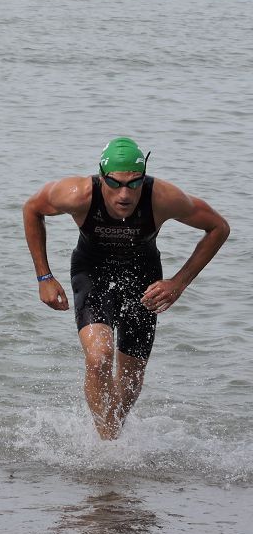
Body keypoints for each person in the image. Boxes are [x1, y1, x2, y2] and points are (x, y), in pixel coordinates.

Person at [22, 137, 229, 440]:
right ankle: (107, 444)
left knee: (131, 376)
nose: (124, 194)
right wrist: (44, 277)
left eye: (134, 184)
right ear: (101, 176)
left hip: (143, 277)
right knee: (99, 356)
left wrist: (178, 282)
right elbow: (32, 209)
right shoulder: (78, 194)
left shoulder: (163, 197)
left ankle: (112, 434)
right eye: (115, 183)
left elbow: (218, 227)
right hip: (92, 271)